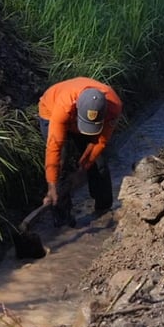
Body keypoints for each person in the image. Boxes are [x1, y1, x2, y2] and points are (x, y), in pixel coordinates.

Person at [38, 77, 122, 225]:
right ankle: (63, 218)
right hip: (51, 111)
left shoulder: (114, 106)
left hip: (80, 115)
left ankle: (103, 209)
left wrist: (82, 169)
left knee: (99, 163)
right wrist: (52, 185)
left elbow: (100, 142)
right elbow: (54, 148)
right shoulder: (63, 106)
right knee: (60, 162)